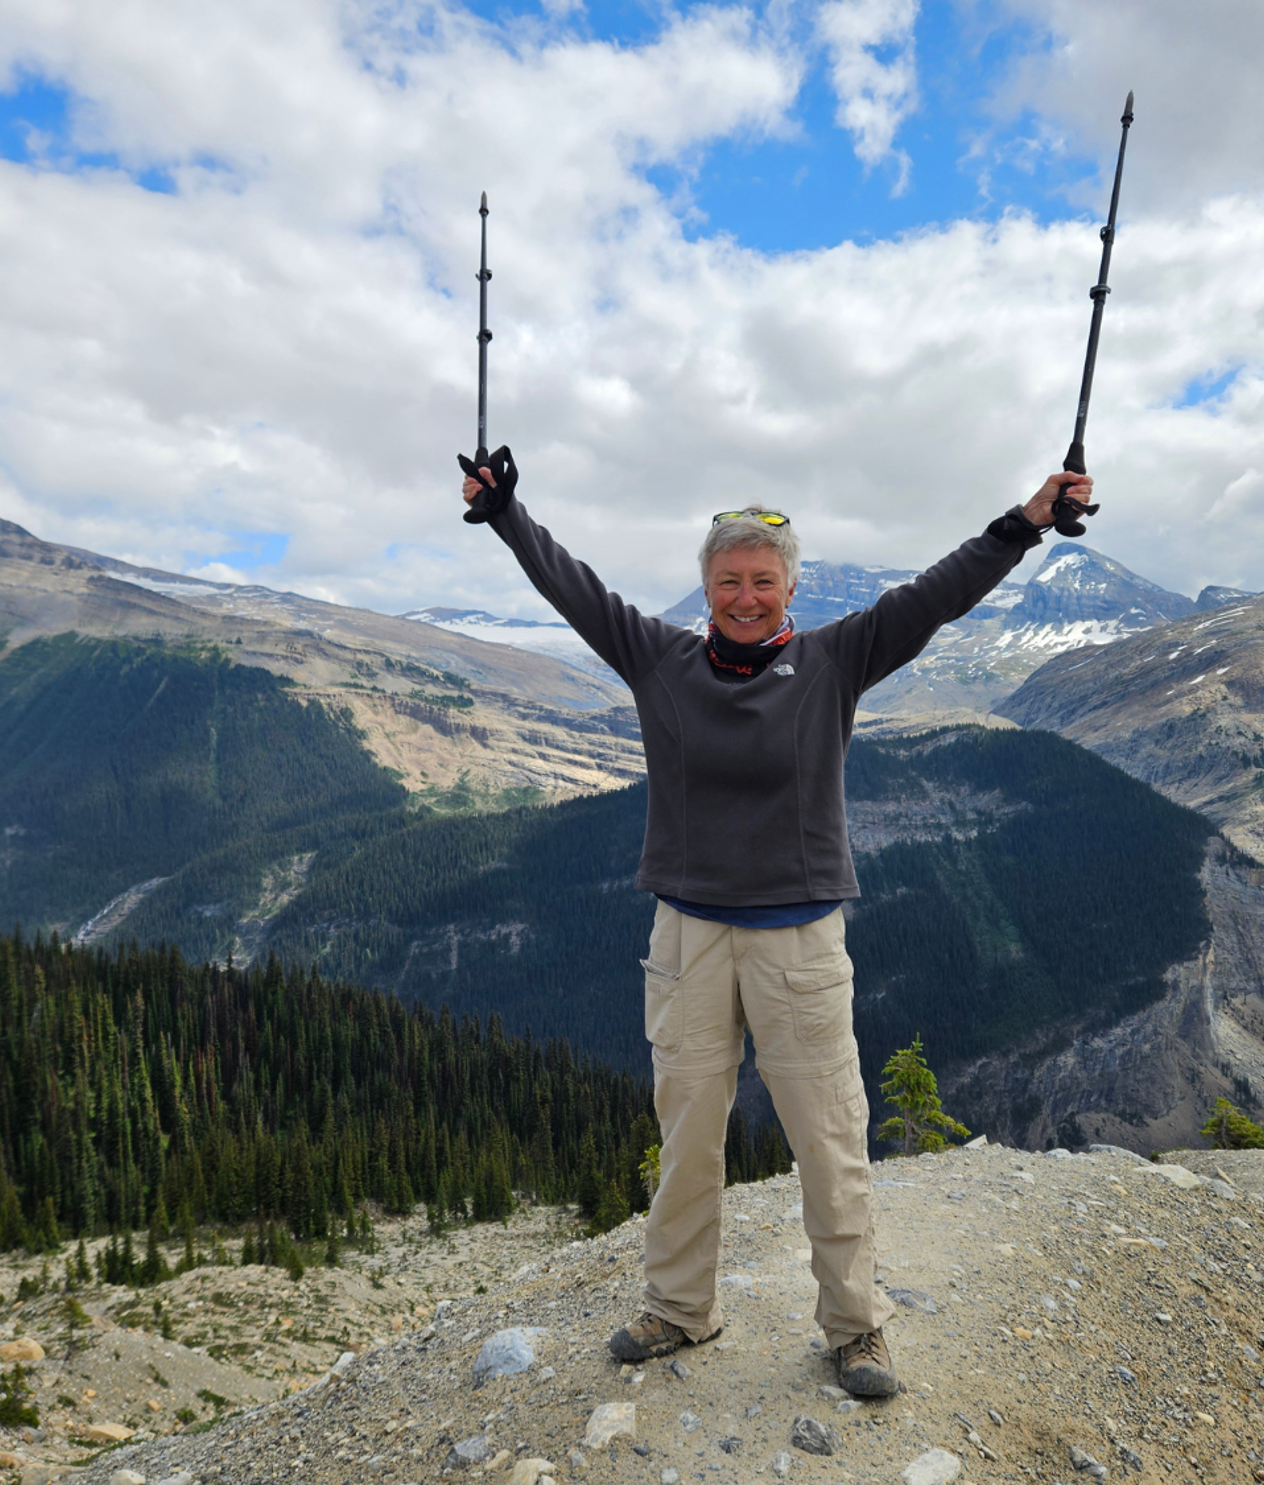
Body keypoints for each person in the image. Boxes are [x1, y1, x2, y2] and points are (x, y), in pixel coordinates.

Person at [459, 454, 1094, 1396]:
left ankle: (855, 1327)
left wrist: (1029, 519)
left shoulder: (834, 658)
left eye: (763, 579)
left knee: (827, 1135)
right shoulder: (660, 659)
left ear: (790, 585)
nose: (745, 596)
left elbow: (936, 595)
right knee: (688, 1134)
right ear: (707, 587)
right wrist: (508, 512)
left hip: (798, 938)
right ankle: (680, 1308)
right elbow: (575, 590)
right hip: (687, 936)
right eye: (728, 580)